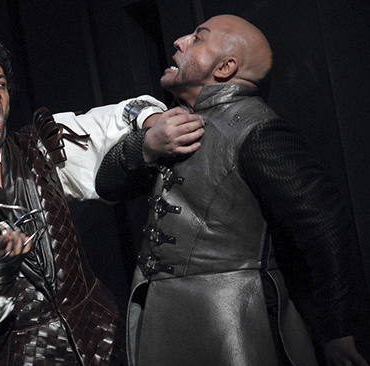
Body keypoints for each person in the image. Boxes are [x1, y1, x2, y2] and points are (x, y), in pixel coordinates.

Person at [0, 36, 206, 365]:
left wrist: (150, 125)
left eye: (0, 84)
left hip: (105, 342)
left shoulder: (38, 148)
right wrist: (1, 263)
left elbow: (115, 119)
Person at [95, 14, 368, 366]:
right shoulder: (174, 124)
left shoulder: (257, 131)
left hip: (232, 324)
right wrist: (145, 146)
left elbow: (325, 226)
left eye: (198, 38)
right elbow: (107, 185)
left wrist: (338, 330)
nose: (179, 41)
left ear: (225, 67)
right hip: (165, 320)